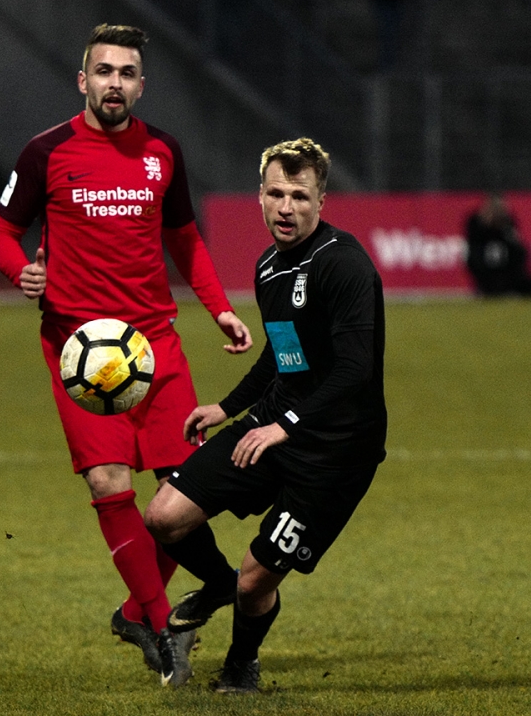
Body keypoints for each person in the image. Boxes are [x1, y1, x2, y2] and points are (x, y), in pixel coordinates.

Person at [0, 23, 253, 687]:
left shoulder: (163, 151)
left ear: (140, 86)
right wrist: (23, 272)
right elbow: (0, 235)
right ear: (83, 80)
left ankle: (135, 613)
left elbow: (184, 238)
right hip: (79, 348)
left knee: (184, 495)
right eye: (103, 71)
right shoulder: (46, 151)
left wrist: (219, 306)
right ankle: (163, 628)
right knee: (108, 482)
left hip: (155, 342)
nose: (114, 83)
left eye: (126, 73)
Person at [144, 137, 388, 694]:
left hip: (336, 452)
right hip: (278, 423)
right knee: (164, 516)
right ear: (259, 196)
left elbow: (355, 369)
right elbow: (284, 353)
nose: (286, 207)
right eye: (276, 193)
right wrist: (227, 407)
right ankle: (216, 584)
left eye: (300, 196)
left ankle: (240, 666)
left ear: (321, 201)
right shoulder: (270, 266)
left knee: (257, 580)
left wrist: (286, 426)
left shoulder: (343, 263)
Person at [464, 193, 531, 296]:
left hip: (507, 271)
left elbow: (517, 250)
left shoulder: (507, 223)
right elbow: (473, 252)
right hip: (485, 272)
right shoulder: (476, 223)